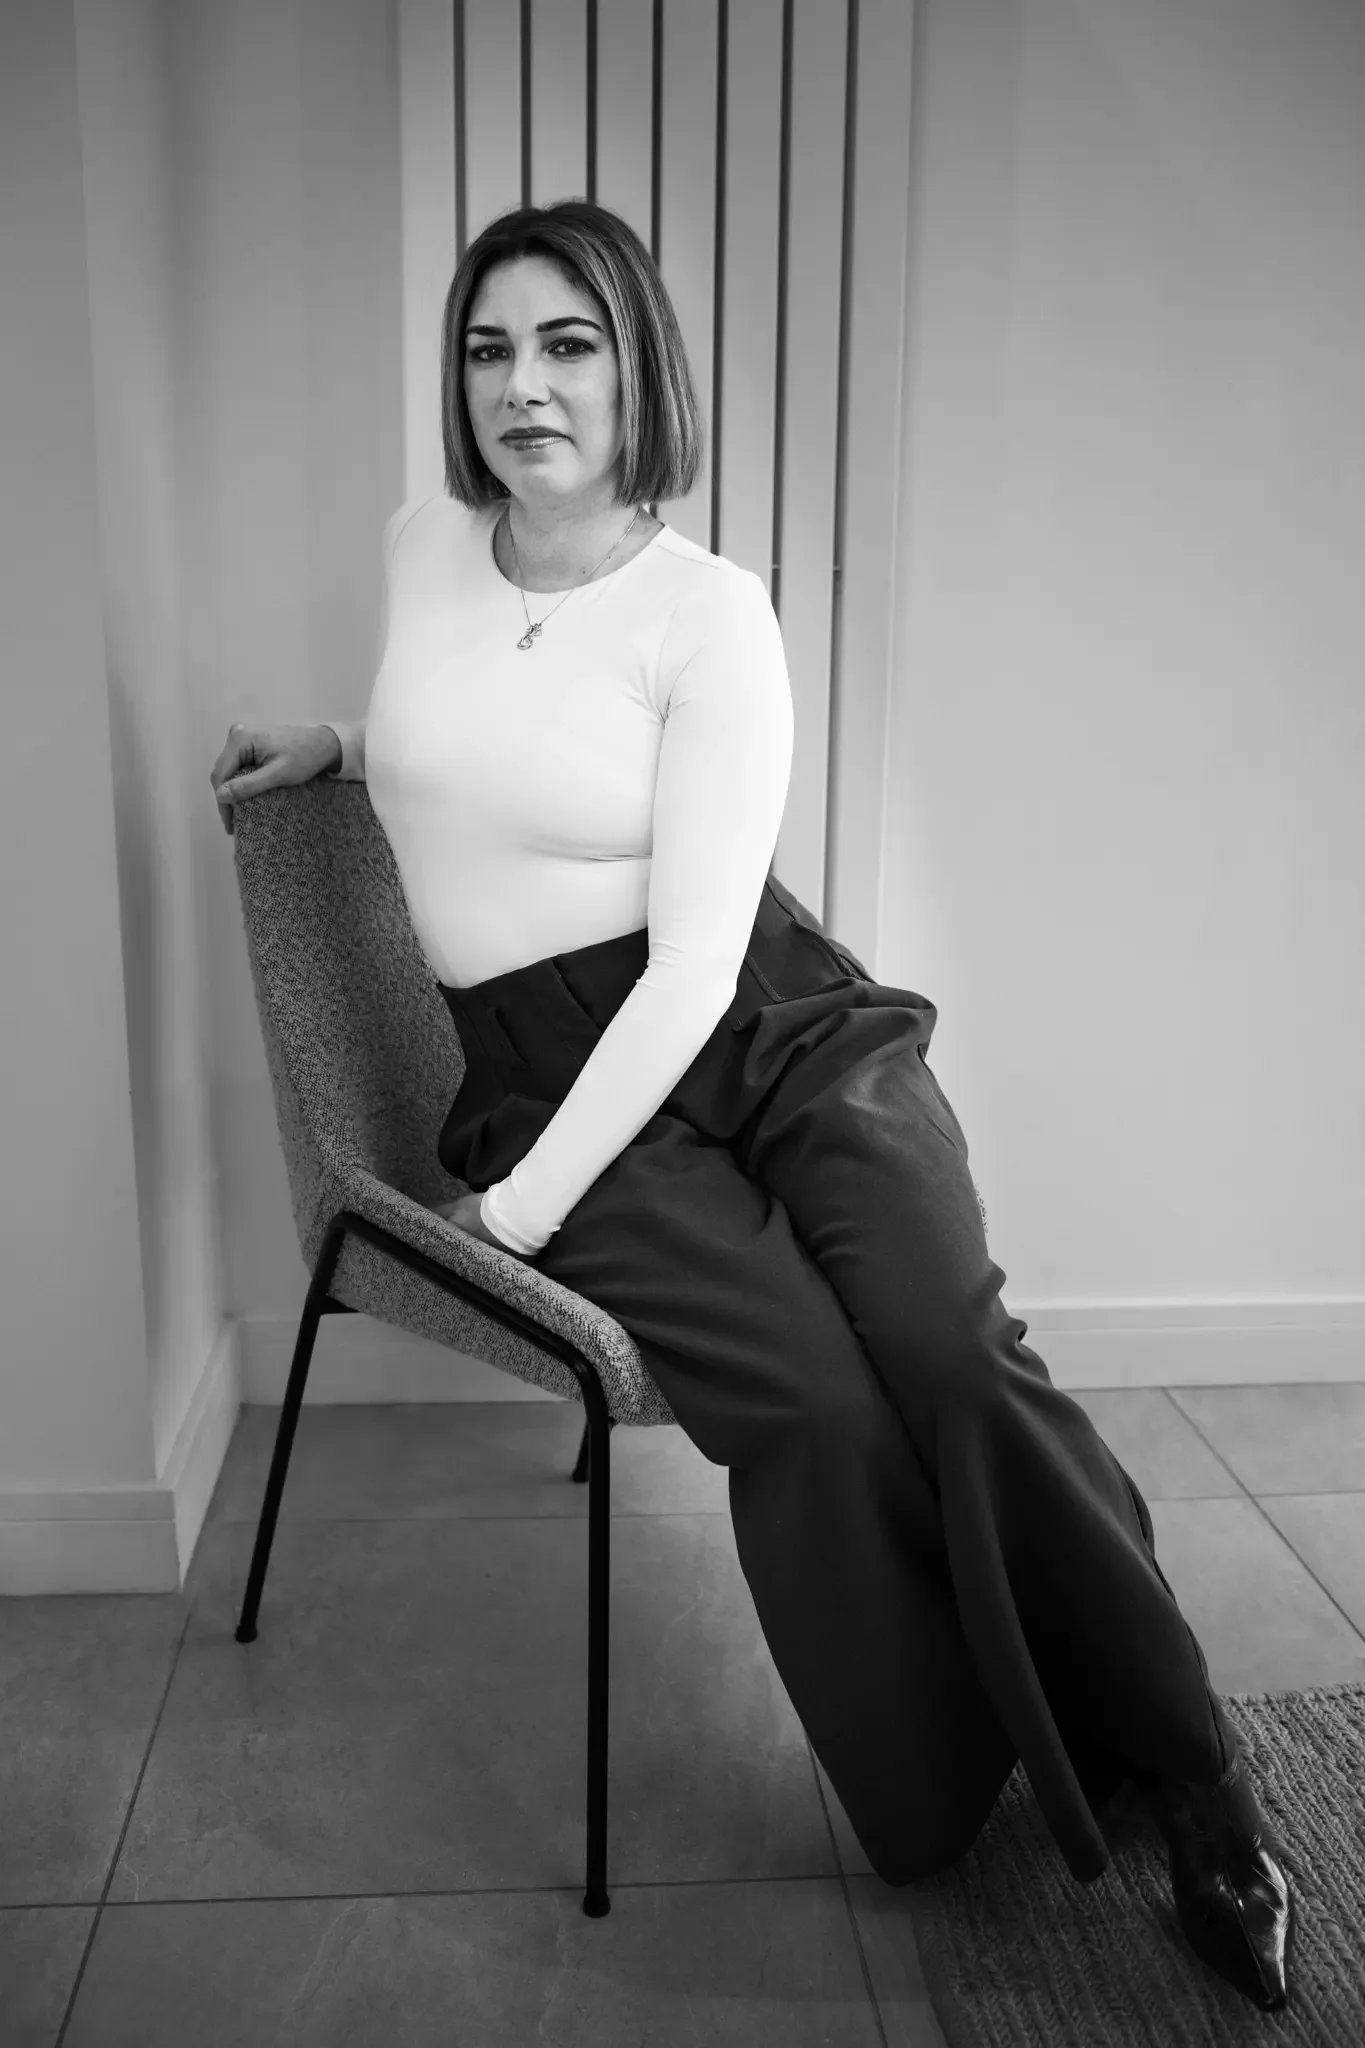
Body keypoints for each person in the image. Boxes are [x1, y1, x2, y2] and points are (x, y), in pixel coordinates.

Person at [210, 200, 1295, 2011]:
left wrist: (526, 1213)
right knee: (806, 1396)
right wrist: (344, 745)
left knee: (948, 1348)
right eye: (490, 347)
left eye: (571, 344)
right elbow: (463, 726)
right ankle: (962, 1765)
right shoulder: (422, 546)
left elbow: (697, 975)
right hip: (548, 1073)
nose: (523, 386)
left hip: (758, 1025)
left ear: (643, 368)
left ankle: (1195, 1769)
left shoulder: (713, 613)